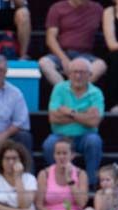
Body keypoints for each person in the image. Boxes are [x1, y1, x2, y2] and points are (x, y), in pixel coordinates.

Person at [43, 57, 103, 185]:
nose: (78, 76)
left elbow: (94, 122)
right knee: (49, 144)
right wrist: (85, 115)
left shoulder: (96, 93)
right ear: (69, 74)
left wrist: (70, 112)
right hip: (61, 136)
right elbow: (53, 118)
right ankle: (57, 183)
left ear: (89, 75)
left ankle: (90, 186)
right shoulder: (59, 88)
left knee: (94, 141)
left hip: (85, 136)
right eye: (74, 72)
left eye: (82, 72)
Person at [36, 137, 97, 210]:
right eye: (58, 153)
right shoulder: (44, 174)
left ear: (72, 155)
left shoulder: (81, 174)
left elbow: (82, 203)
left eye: (65, 153)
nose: (61, 157)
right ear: (54, 155)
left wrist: (70, 180)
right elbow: (39, 206)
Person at [39, 0, 107, 86]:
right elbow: (50, 39)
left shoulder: (97, 9)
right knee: (44, 63)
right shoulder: (57, 8)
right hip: (61, 54)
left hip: (84, 55)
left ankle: (76, 92)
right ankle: (65, 92)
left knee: (101, 65)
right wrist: (64, 59)